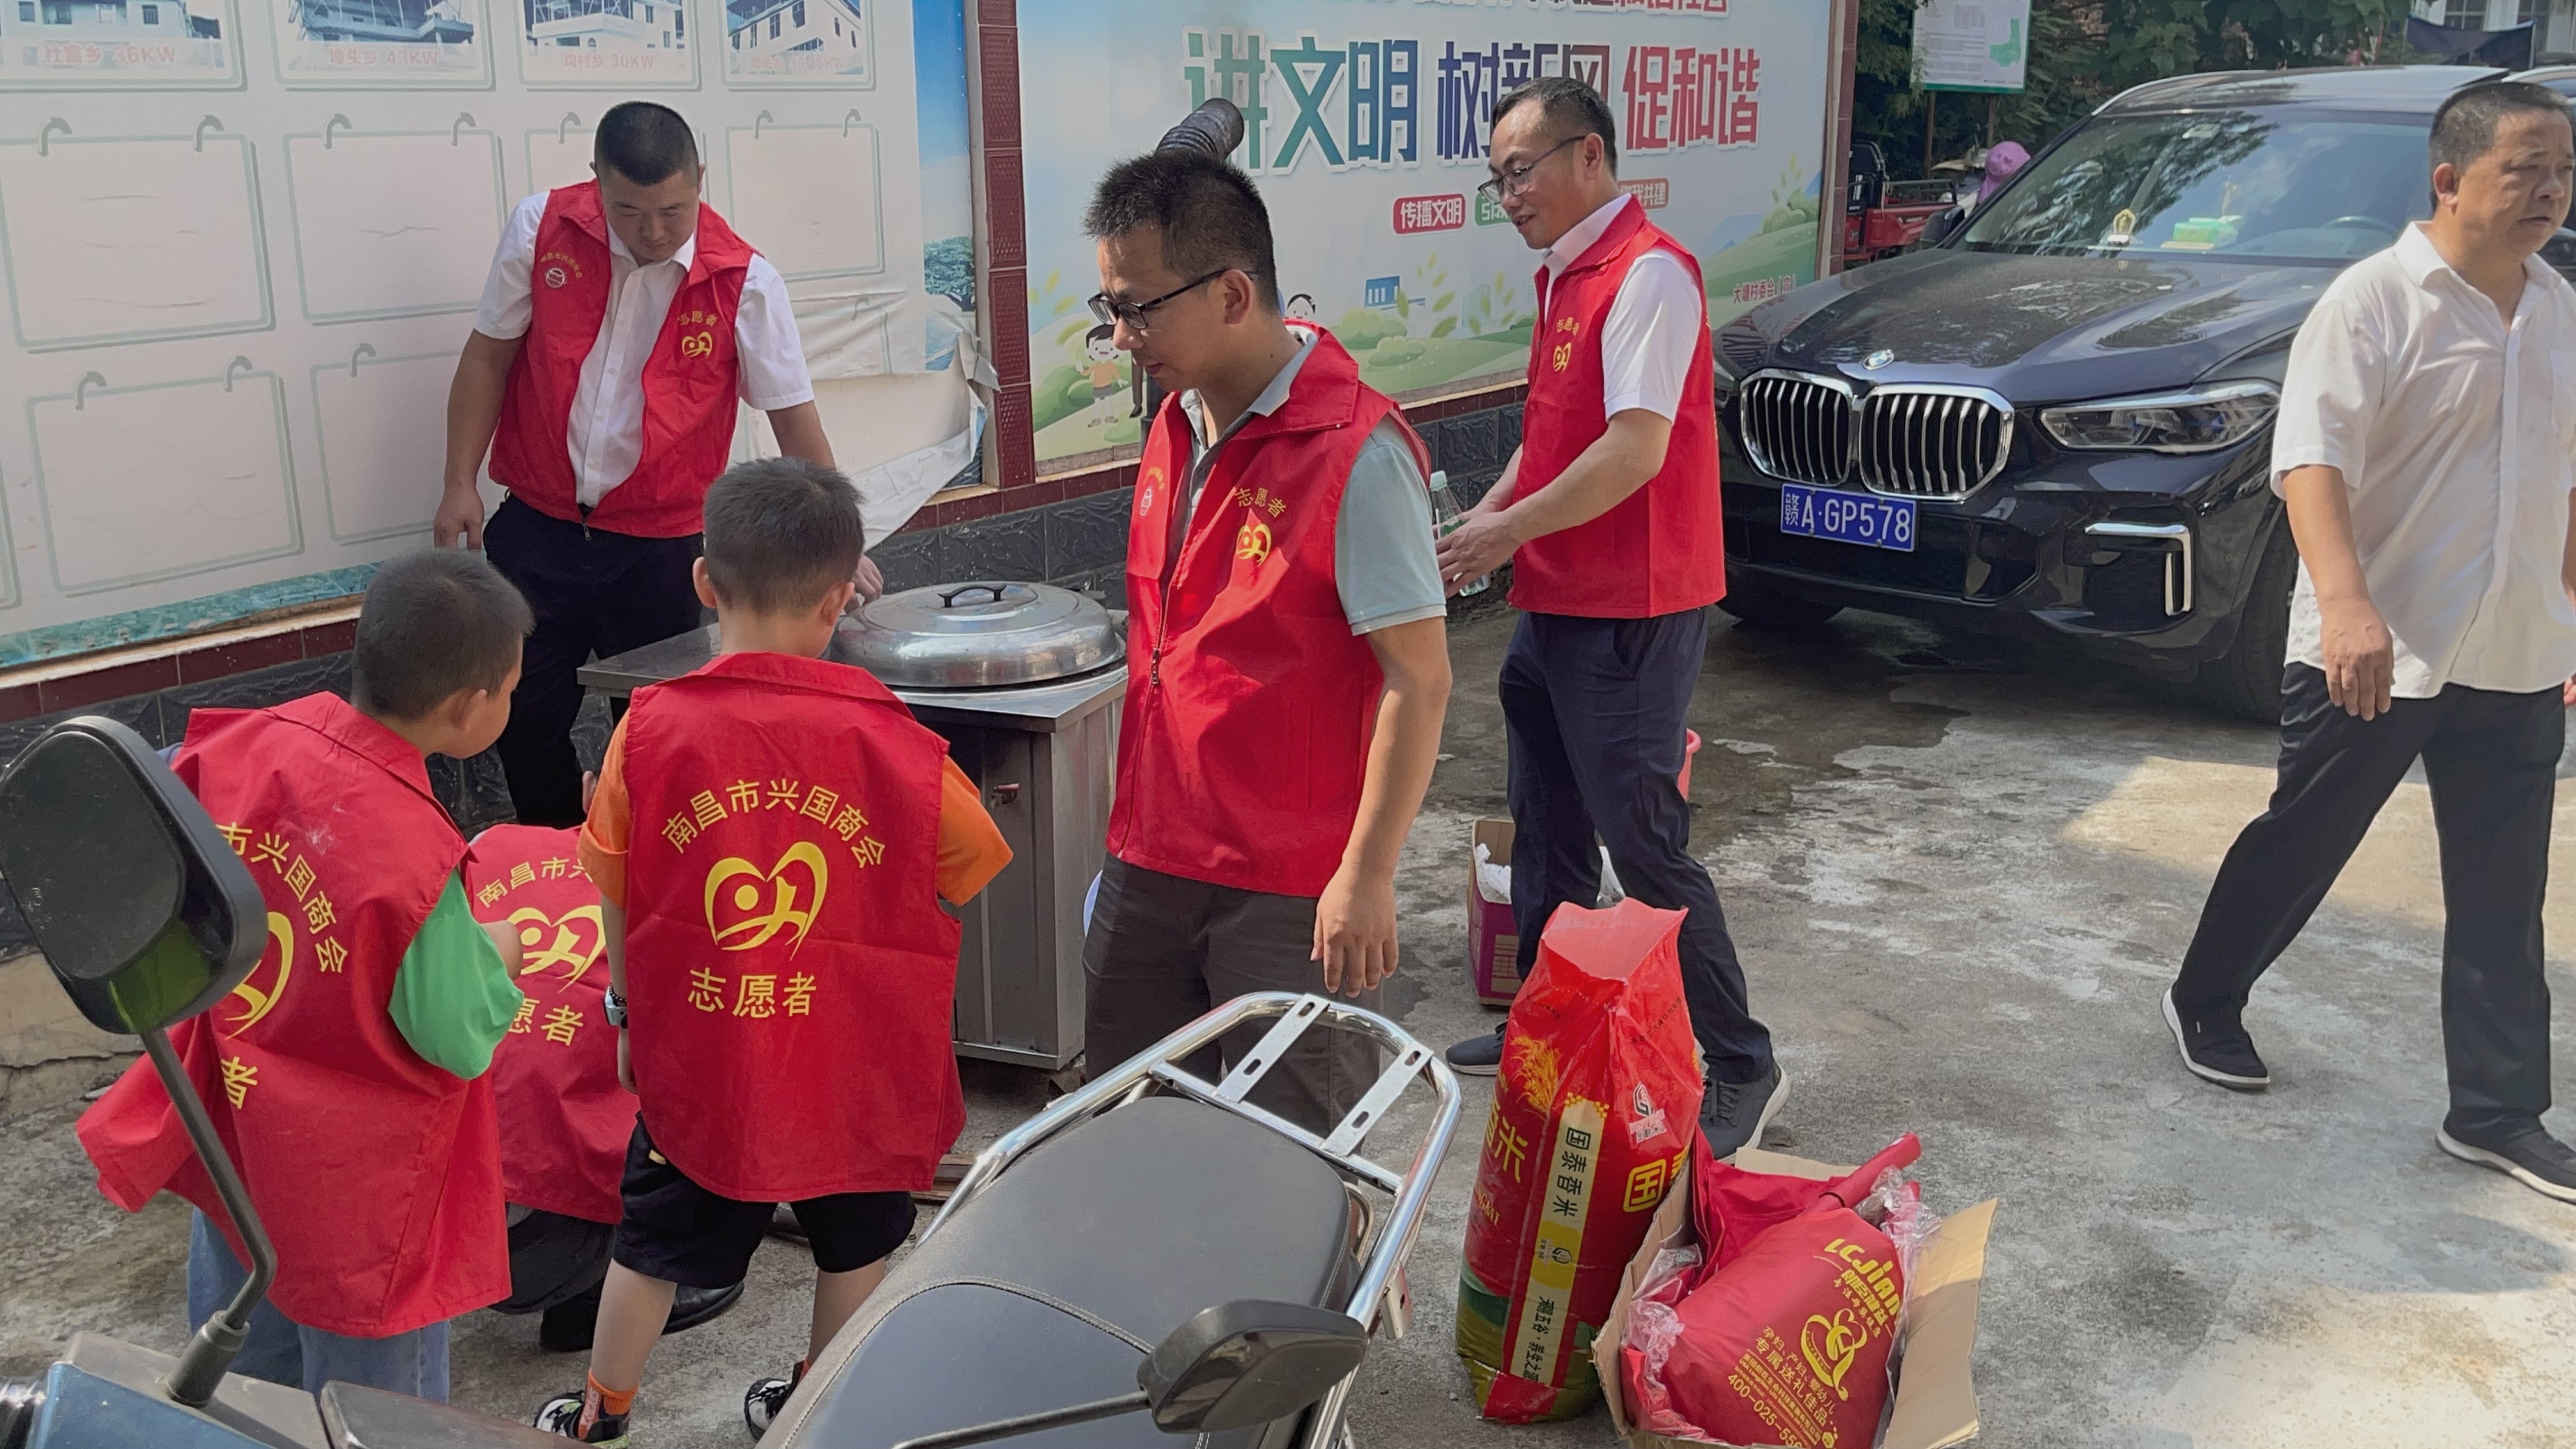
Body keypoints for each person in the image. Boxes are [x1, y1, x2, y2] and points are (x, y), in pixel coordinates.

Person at [535, 458, 1011, 1445]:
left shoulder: (649, 730)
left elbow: (612, 883)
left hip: (705, 1051)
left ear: (703, 583)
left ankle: (600, 1414)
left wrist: (626, 1014)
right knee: (855, 1243)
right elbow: (972, 860)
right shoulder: (893, 741)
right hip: (856, 1058)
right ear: (840, 600)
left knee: (654, 1242)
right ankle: (814, 1410)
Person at [2162, 80, 2576, 1204]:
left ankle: (2496, 1112)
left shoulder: (2560, 312)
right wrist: (2346, 605)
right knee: (2305, 839)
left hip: (2516, 648)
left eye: (2563, 171)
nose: (2549, 191)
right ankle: (2206, 994)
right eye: (2524, 168)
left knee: (2504, 890)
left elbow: (2567, 477)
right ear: (2449, 179)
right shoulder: (2373, 302)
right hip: (2381, 647)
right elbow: (2311, 461)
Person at [76, 551, 535, 1402]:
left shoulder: (245, 744)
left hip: (239, 1125)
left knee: (247, 1381)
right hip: (360, 1188)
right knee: (373, 1410)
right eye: (509, 690)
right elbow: (453, 1033)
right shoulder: (413, 849)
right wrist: (500, 949)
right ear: (467, 708)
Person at [1434, 77, 1784, 1159]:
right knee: (1544, 822)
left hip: (1632, 606)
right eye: (1496, 178)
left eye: (1520, 171)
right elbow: (1552, 438)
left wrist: (1502, 533)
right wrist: (1483, 524)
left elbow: (1632, 451)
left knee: (1645, 846)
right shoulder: (1567, 275)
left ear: (1588, 155)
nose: (1508, 195)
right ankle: (1551, 1023)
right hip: (1555, 600)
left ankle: (1742, 1060)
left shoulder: (1647, 275)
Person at [1077, 149, 1452, 1133]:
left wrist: (1367, 874)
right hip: (1152, 855)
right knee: (1127, 1134)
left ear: (1234, 294)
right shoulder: (1176, 424)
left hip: (1287, 889)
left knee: (1290, 1163)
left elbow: (1419, 680)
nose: (1123, 336)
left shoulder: (1356, 455)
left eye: (1139, 309)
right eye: (1111, 307)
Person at [438, 100, 880, 831]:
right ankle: (557, 861)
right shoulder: (541, 229)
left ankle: (647, 864)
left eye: (672, 212)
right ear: (597, 182)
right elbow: (488, 356)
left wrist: (840, 542)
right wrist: (460, 482)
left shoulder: (744, 280)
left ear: (700, 180)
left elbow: (793, 419)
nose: (652, 233)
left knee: (657, 725)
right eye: (629, 211)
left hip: (662, 549)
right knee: (521, 717)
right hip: (539, 529)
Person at [462, 822, 744, 1352]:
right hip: (533, 1249)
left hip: (426, 1227)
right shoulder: (695, 891)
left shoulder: (490, 844)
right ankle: (590, 1301)